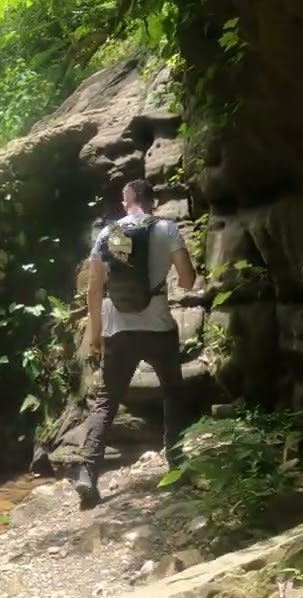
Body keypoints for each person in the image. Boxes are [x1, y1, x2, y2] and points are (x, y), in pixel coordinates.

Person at [76, 179, 197, 509]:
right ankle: (176, 462)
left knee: (106, 400)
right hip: (158, 329)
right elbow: (188, 280)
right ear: (152, 201)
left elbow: (94, 289)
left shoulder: (111, 233)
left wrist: (95, 334)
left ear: (126, 200)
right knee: (173, 391)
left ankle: (87, 474)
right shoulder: (167, 228)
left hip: (119, 331)